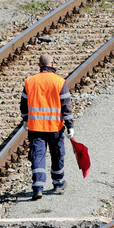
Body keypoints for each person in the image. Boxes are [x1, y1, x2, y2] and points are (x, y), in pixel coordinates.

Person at [20, 54, 74, 201]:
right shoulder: (59, 82)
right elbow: (66, 106)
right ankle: (58, 183)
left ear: (39, 65)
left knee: (38, 156)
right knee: (57, 154)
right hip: (54, 127)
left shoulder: (30, 81)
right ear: (52, 63)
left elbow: (23, 104)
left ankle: (38, 187)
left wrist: (25, 119)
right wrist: (70, 126)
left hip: (35, 127)